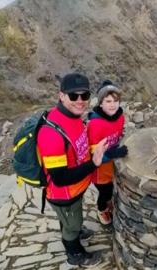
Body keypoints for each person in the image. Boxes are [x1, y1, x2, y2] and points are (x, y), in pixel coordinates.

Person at [36, 72, 108, 267]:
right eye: (73, 96)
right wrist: (94, 163)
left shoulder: (72, 117)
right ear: (61, 96)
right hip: (64, 194)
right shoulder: (51, 134)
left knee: (73, 218)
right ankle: (74, 252)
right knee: (72, 224)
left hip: (76, 189)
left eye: (84, 96)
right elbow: (60, 178)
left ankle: (72, 227)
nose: (80, 101)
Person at [87, 80, 127, 225]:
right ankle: (101, 208)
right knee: (105, 192)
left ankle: (108, 202)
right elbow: (93, 156)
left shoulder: (120, 117)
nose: (112, 104)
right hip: (99, 171)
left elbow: (118, 135)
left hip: (111, 166)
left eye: (116, 101)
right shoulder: (96, 124)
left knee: (110, 189)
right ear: (100, 103)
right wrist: (112, 154)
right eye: (108, 101)